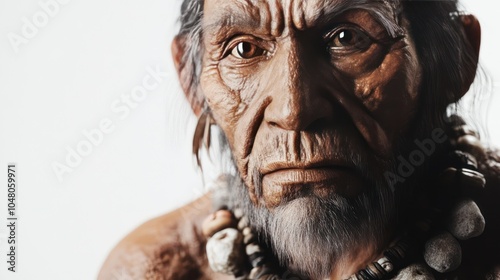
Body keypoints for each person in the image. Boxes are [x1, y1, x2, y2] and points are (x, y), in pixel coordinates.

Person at [99, 0, 500, 279]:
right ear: (192, 82)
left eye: (347, 38)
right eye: (243, 49)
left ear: (455, 61)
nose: (293, 111)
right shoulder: (156, 269)